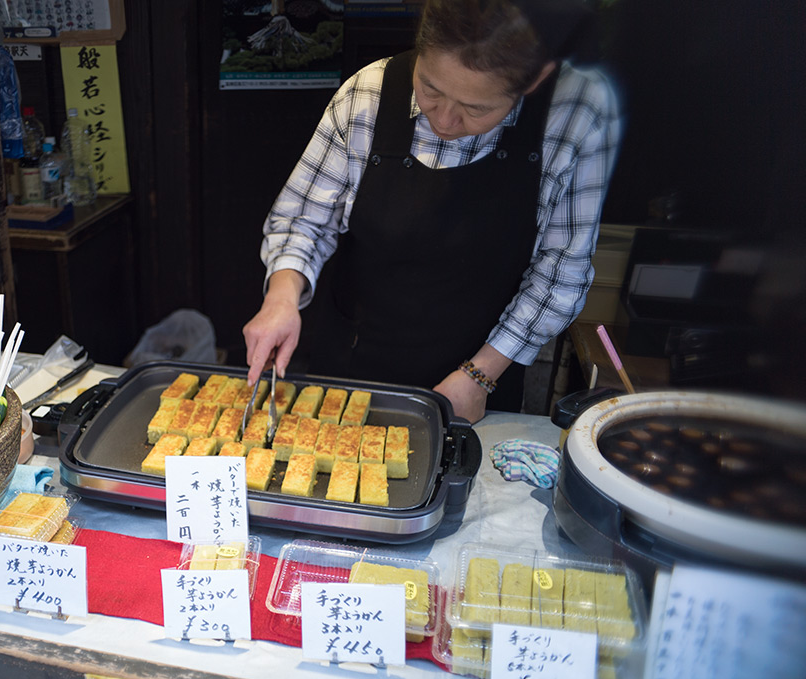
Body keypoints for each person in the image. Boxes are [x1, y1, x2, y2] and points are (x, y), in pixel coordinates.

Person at [242, 0, 622, 423]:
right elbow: (304, 219)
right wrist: (281, 297)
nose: (444, 120)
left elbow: (561, 272)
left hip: (481, 375)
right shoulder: (367, 93)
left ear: (536, 79)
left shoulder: (576, 113)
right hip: (354, 362)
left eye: (476, 109)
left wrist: (480, 376)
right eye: (430, 89)